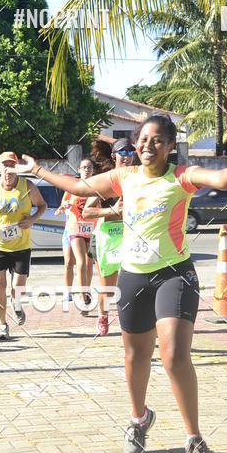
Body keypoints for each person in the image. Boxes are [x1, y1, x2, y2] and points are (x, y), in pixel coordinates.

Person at [21, 112, 227, 453]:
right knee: (134, 357)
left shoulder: (181, 177)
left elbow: (218, 179)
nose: (148, 146)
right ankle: (139, 418)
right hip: (133, 277)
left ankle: (194, 438)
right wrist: (38, 170)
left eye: (157, 140)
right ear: (136, 144)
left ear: (169, 147)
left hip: (174, 275)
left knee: (174, 355)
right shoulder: (124, 177)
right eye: (143, 140)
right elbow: (79, 188)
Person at [0, 151, 47, 340]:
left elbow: (42, 205)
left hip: (21, 245)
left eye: (12, 165)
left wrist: (32, 219)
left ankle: (17, 305)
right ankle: (2, 325)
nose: (8, 169)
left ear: (17, 167)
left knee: (18, 286)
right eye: (4, 165)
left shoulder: (27, 186)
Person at [83, 138, 135, 336]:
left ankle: (133, 321)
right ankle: (103, 316)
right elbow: (87, 212)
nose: (127, 157)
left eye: (131, 153)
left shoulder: (139, 176)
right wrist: (113, 210)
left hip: (131, 235)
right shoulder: (105, 180)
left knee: (133, 280)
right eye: (123, 153)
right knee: (108, 285)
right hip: (107, 237)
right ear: (114, 156)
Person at [55, 156, 95, 315]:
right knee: (74, 262)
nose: (87, 170)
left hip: (91, 229)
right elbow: (63, 205)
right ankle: (74, 294)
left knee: (88, 264)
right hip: (73, 228)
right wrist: (63, 206)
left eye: (90, 167)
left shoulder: (97, 185)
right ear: (79, 170)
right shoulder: (73, 186)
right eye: (84, 167)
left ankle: (86, 292)